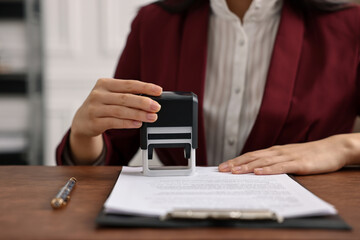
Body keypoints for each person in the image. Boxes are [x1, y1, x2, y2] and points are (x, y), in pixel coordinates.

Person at [56, 0, 360, 175]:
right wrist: (84, 134)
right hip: (175, 221)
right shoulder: (154, 23)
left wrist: (344, 147)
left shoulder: (351, 26)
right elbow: (112, 151)